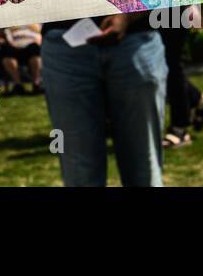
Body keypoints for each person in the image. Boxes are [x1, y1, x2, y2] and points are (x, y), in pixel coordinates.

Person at [40, 13, 167, 186]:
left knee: (144, 168)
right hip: (64, 40)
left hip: (136, 39)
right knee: (80, 175)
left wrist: (128, 17)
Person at [0, 24, 42, 94]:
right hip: (13, 45)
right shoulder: (6, 21)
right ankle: (18, 85)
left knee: (35, 50)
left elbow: (43, 34)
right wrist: (1, 41)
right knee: (7, 55)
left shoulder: (37, 20)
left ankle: (36, 83)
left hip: (32, 44)